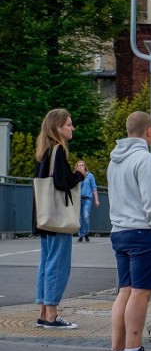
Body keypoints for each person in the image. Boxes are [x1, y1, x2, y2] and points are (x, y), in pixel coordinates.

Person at [106, 111, 151, 351]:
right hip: (143, 233)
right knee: (140, 293)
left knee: (124, 291)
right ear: (149, 131)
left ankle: (117, 348)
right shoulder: (144, 159)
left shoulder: (115, 161)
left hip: (119, 232)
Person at [33, 109, 85, 330]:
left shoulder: (43, 151)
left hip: (44, 217)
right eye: (69, 125)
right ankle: (52, 316)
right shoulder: (58, 151)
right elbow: (62, 184)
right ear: (58, 128)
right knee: (58, 266)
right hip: (58, 220)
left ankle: (43, 313)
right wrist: (79, 175)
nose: (72, 128)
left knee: (46, 264)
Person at [75, 160, 99, 242]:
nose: (81, 166)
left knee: (85, 216)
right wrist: (80, 177)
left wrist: (96, 200)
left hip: (87, 199)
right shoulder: (75, 176)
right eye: (79, 165)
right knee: (79, 218)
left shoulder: (90, 176)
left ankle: (86, 233)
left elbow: (94, 188)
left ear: (85, 167)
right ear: (77, 167)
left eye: (82, 165)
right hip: (78, 199)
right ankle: (81, 235)